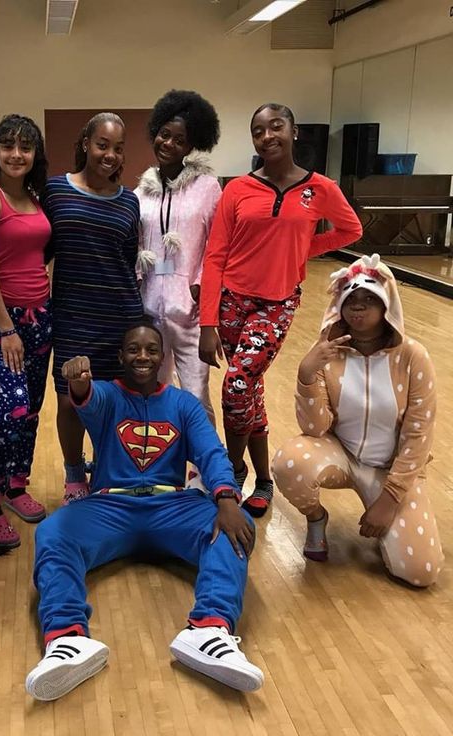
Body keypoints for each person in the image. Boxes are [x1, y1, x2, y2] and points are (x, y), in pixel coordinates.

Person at [25, 320, 263, 702]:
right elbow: (87, 398)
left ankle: (209, 630)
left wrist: (227, 499)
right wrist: (80, 382)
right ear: (120, 357)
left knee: (238, 528)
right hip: (110, 504)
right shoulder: (106, 395)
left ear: (163, 357)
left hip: (172, 504)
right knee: (53, 534)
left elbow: (211, 451)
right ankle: (67, 640)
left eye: (152, 349)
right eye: (134, 349)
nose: (143, 356)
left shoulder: (183, 404)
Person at [198, 103, 363, 518]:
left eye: (276, 127)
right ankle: (264, 481)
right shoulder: (237, 189)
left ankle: (233, 471)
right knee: (250, 391)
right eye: (258, 130)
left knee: (236, 386)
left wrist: (303, 250)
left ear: (294, 132)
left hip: (277, 304)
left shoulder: (320, 188)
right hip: (232, 301)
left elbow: (351, 229)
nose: (267, 135)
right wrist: (207, 322)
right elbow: (215, 255)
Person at [272, 254, 443, 586]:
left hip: (391, 470)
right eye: (351, 299)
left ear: (387, 306)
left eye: (370, 299)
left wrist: (390, 499)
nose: (358, 307)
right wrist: (306, 374)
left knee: (420, 571)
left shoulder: (412, 356)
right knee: (291, 462)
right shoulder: (326, 352)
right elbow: (315, 429)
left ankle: (390, 529)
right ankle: (316, 518)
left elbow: (419, 433)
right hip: (342, 455)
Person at [43, 112, 143, 504]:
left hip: (120, 316)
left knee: (112, 400)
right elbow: (41, 251)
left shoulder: (129, 202)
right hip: (72, 316)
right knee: (70, 399)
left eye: (119, 149)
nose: (110, 155)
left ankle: (105, 469)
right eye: (103, 145)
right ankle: (73, 475)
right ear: (86, 143)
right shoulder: (56, 191)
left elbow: (128, 257)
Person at [0, 115, 51, 547]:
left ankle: (18, 483)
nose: (16, 155)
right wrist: (6, 328)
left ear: (35, 154)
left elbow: (37, 253)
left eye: (25, 147)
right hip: (0, 321)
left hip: (41, 315)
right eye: (7, 146)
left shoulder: (35, 198)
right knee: (14, 406)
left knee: (33, 407)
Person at [136, 90, 222, 424]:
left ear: (192, 145)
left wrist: (203, 290)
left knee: (196, 396)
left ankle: (203, 470)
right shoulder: (141, 190)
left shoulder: (208, 187)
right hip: (149, 309)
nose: (169, 143)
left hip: (192, 312)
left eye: (180, 139)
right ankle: (160, 464)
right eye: (164, 134)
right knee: (151, 392)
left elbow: (217, 247)